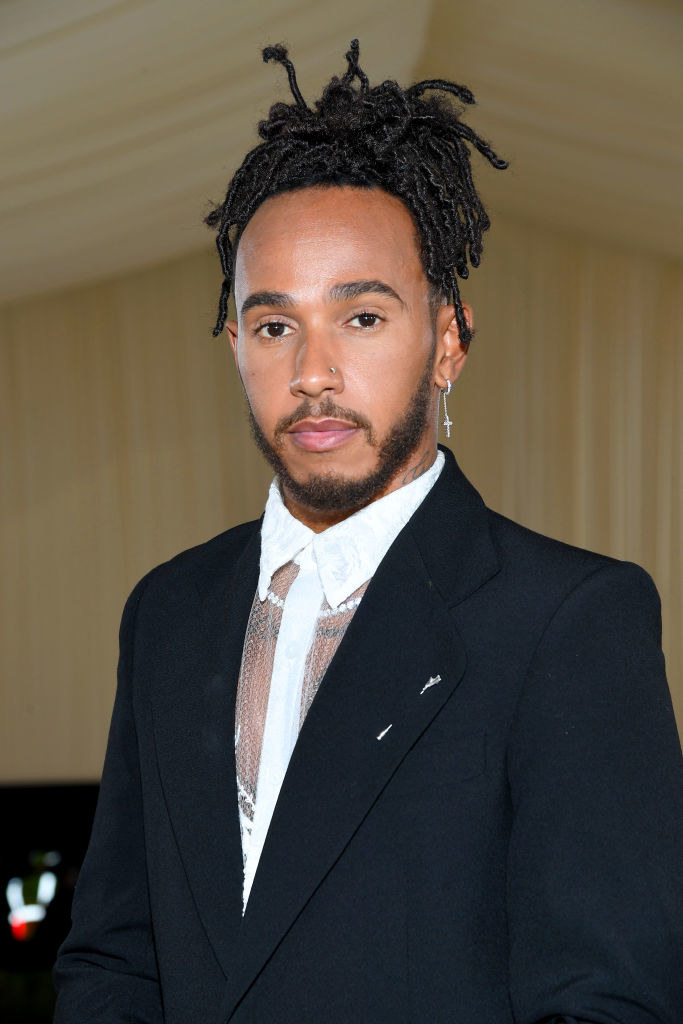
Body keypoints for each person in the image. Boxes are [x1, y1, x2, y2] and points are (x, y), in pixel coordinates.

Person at [53, 41, 682, 1024]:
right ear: (233, 345)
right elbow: (114, 963)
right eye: (273, 326)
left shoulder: (566, 622)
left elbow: (605, 1004)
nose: (310, 370)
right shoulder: (167, 612)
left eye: (360, 318)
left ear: (446, 341)